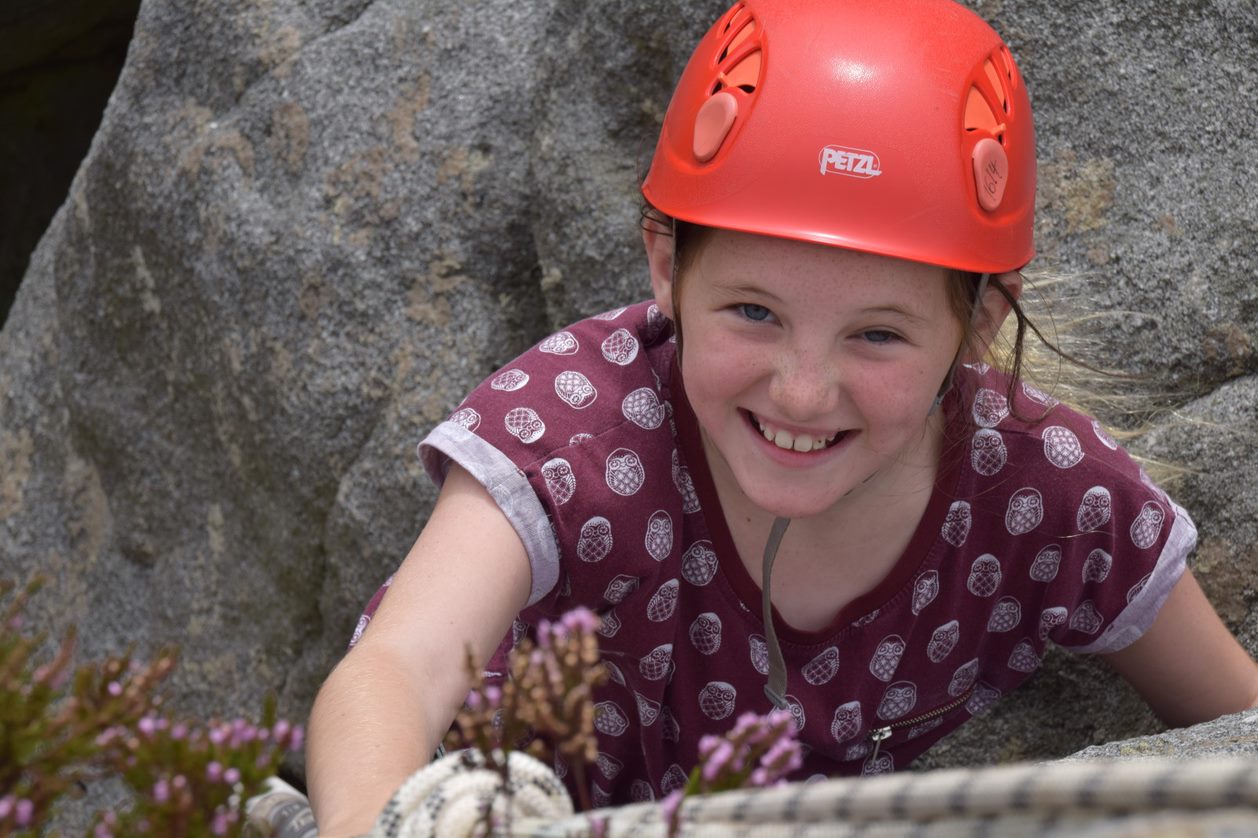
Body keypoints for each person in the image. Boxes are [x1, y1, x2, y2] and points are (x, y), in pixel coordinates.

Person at [305, 1, 1258, 834]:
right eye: (754, 313)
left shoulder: (1039, 494)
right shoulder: (575, 434)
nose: (803, 393)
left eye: (877, 336)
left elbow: (1238, 728)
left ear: (980, 323)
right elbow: (398, 667)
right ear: (667, 267)